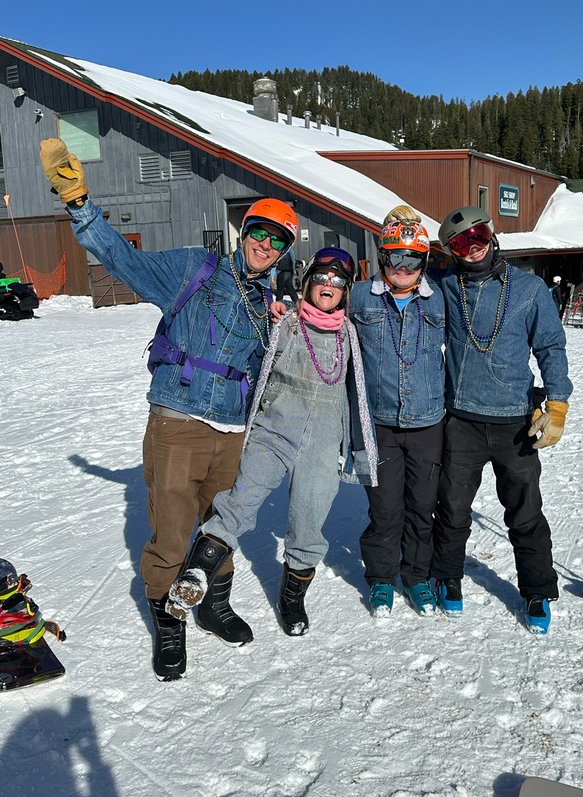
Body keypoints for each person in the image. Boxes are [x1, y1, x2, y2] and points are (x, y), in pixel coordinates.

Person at [39, 138, 298, 681]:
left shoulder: (269, 305)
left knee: (221, 526)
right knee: (173, 531)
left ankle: (215, 604)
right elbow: (122, 259)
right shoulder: (192, 269)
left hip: (232, 431)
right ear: (244, 231)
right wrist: (79, 201)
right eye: (260, 232)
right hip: (178, 420)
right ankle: (170, 623)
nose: (266, 244)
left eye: (278, 240)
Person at [166, 248, 377, 638]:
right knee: (241, 497)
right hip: (275, 427)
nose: (327, 286)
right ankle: (197, 572)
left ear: (346, 291)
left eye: (337, 281)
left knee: (309, 520)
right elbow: (247, 341)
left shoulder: (352, 332)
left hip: (324, 437)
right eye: (321, 278)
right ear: (307, 281)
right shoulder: (282, 323)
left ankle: (292, 597)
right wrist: (274, 311)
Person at [431, 206, 572, 634]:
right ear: (451, 251)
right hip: (462, 422)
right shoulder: (444, 287)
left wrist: (558, 405)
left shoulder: (529, 289)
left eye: (477, 235)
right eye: (459, 243)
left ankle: (536, 589)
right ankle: (447, 577)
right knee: (453, 509)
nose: (471, 248)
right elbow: (398, 291)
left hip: (515, 422)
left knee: (526, 513)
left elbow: (551, 346)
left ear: (491, 235)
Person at [349, 206, 446, 618]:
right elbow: (322, 315)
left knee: (422, 507)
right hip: (379, 424)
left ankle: (418, 576)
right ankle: (382, 579)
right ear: (381, 256)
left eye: (411, 258)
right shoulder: (358, 297)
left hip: (427, 422)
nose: (402, 267)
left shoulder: (440, 297)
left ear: (423, 260)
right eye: (394, 257)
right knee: (385, 509)